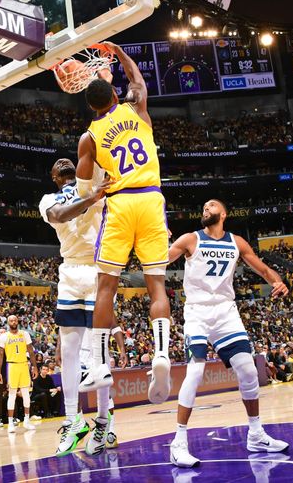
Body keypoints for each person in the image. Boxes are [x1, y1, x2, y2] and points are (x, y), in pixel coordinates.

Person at [76, 42, 173, 422]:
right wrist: (117, 53)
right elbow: (137, 78)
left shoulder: (89, 137)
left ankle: (100, 364)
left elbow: (86, 191)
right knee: (157, 287)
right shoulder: (136, 107)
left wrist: (98, 186)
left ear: (91, 107)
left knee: (106, 288)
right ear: (115, 94)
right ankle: (162, 353)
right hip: (151, 200)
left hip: (119, 203)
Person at [167, 200, 290, 468]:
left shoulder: (236, 242)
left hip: (225, 312)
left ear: (223, 214)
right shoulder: (190, 239)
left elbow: (263, 268)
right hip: (197, 311)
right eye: (203, 207)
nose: (205, 209)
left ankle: (256, 434)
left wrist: (278, 282)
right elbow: (162, 259)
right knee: (196, 372)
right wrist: (156, 242)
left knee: (247, 370)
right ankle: (178, 443)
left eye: (211, 206)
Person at [38, 156, 113, 456]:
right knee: (68, 353)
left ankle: (104, 422)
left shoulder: (92, 182)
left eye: (67, 159)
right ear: (54, 177)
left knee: (100, 353)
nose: (62, 161)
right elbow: (58, 216)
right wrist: (92, 197)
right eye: (57, 164)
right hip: (69, 272)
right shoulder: (49, 200)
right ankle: (73, 421)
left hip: (97, 269)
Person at [0, 315, 37, 433]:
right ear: (8, 323)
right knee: (12, 394)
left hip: (24, 364)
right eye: (11, 320)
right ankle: (10, 423)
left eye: (15, 320)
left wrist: (34, 367)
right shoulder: (4, 336)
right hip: (12, 366)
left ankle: (26, 420)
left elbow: (31, 351)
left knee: (26, 394)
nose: (13, 322)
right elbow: (0, 355)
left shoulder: (24, 334)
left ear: (17, 321)